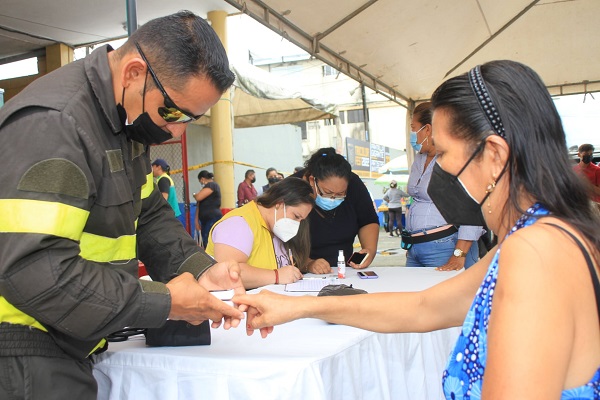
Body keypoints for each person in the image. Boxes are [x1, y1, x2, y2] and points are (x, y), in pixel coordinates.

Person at [235, 60, 600, 399]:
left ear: (494, 155)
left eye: (441, 153)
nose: (435, 168)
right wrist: (296, 307)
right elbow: (424, 306)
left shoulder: (535, 253)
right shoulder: (541, 238)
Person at [0, 12, 247, 399]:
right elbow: (34, 269)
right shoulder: (57, 124)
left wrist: (201, 270)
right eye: (172, 112)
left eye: (192, 119)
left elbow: (148, 216)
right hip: (24, 353)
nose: (177, 131)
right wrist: (163, 302)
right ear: (134, 73)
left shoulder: (124, 125)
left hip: (71, 338)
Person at [405, 101, 483, 270]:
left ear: (427, 129)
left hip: (446, 246)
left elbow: (472, 210)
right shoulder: (419, 159)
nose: (412, 134)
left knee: (445, 296)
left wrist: (459, 254)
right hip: (416, 247)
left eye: (413, 128)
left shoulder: (456, 159)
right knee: (413, 294)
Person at [206, 178, 314, 289]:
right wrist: (276, 275)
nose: (296, 225)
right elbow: (228, 273)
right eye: (296, 217)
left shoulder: (275, 227)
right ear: (279, 203)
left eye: (301, 220)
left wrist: (309, 265)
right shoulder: (238, 223)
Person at [292, 147, 379, 273]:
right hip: (299, 272)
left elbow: (367, 220)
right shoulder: (292, 189)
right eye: (327, 193)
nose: (333, 199)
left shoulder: (354, 184)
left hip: (344, 269)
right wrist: (307, 264)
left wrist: (369, 250)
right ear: (312, 180)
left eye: (340, 194)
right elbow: (280, 243)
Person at [194, 170, 222, 248]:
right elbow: (198, 205)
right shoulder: (205, 189)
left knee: (209, 240)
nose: (202, 184)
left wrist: (195, 195)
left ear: (202, 179)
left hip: (212, 218)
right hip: (205, 220)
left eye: (201, 181)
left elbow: (198, 197)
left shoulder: (212, 185)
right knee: (205, 240)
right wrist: (196, 221)